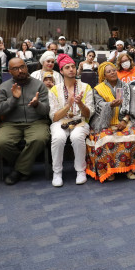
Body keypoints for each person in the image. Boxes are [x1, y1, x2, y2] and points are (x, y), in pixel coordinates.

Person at [0, 58, 50, 185]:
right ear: (9, 71)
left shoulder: (39, 85)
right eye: (15, 69)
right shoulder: (4, 87)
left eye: (22, 67)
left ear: (27, 67)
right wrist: (13, 99)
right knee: (0, 142)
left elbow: (46, 110)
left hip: (36, 122)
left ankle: (17, 171)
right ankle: (23, 167)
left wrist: (37, 104)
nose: (20, 71)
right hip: (11, 123)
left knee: (39, 138)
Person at [87, 62, 135, 182]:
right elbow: (98, 105)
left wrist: (124, 120)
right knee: (105, 138)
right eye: (109, 71)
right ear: (104, 75)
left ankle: (129, 168)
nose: (112, 72)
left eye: (113, 70)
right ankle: (109, 170)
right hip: (104, 121)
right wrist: (110, 105)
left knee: (132, 136)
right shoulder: (98, 89)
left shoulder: (125, 86)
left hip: (124, 120)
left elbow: (131, 105)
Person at [48, 54, 93, 187]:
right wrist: (68, 105)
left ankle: (80, 171)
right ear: (61, 71)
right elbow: (54, 117)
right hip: (60, 122)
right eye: (67, 67)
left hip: (80, 121)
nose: (71, 69)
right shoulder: (54, 89)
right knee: (58, 138)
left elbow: (88, 114)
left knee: (77, 136)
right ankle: (57, 173)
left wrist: (80, 104)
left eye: (73, 66)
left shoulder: (86, 87)